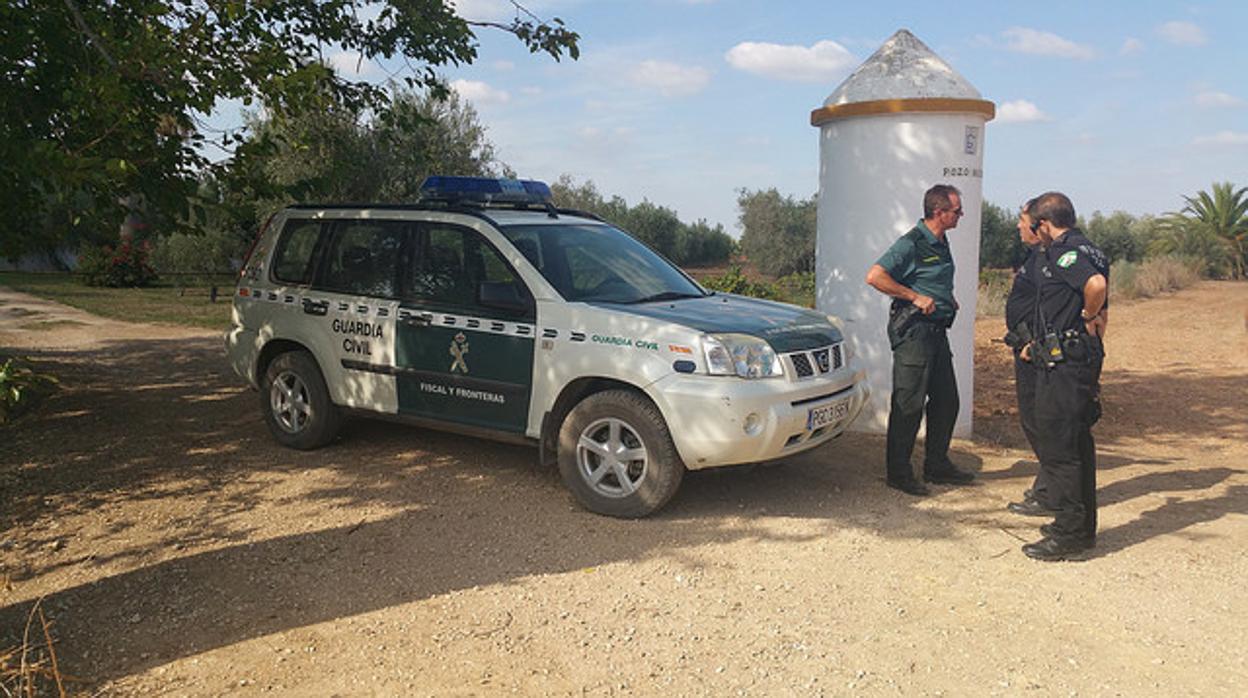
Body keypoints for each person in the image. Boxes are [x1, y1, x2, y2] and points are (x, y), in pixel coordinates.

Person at [865, 184, 975, 496]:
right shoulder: (911, 243)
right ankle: (899, 473)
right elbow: (874, 276)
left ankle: (937, 465)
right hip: (914, 332)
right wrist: (914, 296)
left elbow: (933, 277)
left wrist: (945, 297)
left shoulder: (941, 241)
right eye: (957, 211)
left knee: (947, 400)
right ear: (939, 213)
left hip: (937, 331)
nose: (961, 215)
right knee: (909, 403)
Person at [1018, 192, 1108, 561]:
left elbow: (1096, 286)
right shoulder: (1092, 248)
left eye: (1031, 225)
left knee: (1060, 446)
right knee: (1077, 443)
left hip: (1066, 364)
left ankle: (1069, 533)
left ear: (1044, 224)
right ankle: (1080, 528)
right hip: (1077, 359)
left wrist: (1088, 316)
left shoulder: (1063, 250)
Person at [1003, 199, 1054, 517]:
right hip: (1026, 348)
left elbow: (1052, 308)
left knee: (1042, 421)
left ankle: (1051, 491)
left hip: (1037, 351)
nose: (1019, 226)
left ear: (1040, 225)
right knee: (1033, 420)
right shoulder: (1034, 256)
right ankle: (1049, 484)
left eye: (1022, 220)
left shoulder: (1051, 258)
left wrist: (1034, 341)